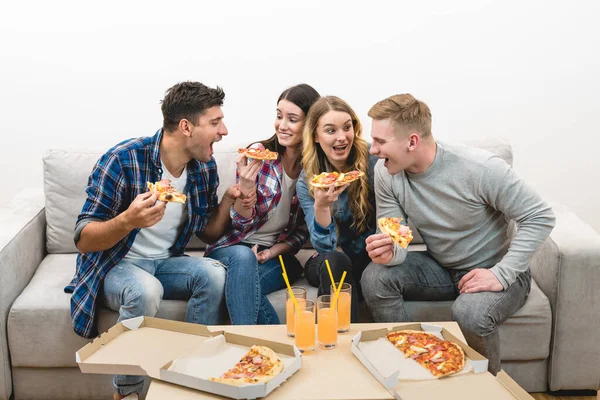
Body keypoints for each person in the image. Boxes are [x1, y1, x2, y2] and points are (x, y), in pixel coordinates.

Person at [65, 81, 253, 400]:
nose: (224, 130)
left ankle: (189, 376)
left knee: (214, 274)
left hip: (165, 261)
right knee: (146, 290)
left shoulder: (203, 167)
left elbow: (207, 233)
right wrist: (128, 220)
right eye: (215, 122)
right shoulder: (124, 159)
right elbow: (83, 239)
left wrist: (227, 203)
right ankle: (127, 393)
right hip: (116, 264)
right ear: (186, 127)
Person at [360, 93, 556, 374]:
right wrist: (391, 252)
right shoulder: (386, 172)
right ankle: (410, 366)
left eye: (380, 141)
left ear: (412, 141)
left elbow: (540, 216)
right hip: (443, 267)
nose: (372, 150)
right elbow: (397, 236)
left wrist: (501, 274)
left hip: (496, 268)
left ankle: (487, 390)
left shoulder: (480, 168)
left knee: (469, 312)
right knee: (375, 277)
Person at [204, 84, 320, 325]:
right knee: (243, 265)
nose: (282, 125)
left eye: (292, 119)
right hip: (235, 247)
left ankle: (260, 353)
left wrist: (270, 252)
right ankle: (272, 348)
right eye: (279, 116)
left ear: (311, 124)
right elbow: (240, 223)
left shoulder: (315, 170)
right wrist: (246, 186)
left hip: (276, 256)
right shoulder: (259, 155)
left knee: (244, 287)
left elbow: (301, 233)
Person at [296, 96, 377, 322]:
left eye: (347, 128)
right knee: (335, 261)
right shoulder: (307, 180)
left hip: (369, 257)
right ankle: (337, 339)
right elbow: (324, 246)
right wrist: (322, 207)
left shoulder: (374, 160)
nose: (342, 137)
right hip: (330, 259)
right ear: (315, 135)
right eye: (331, 130)